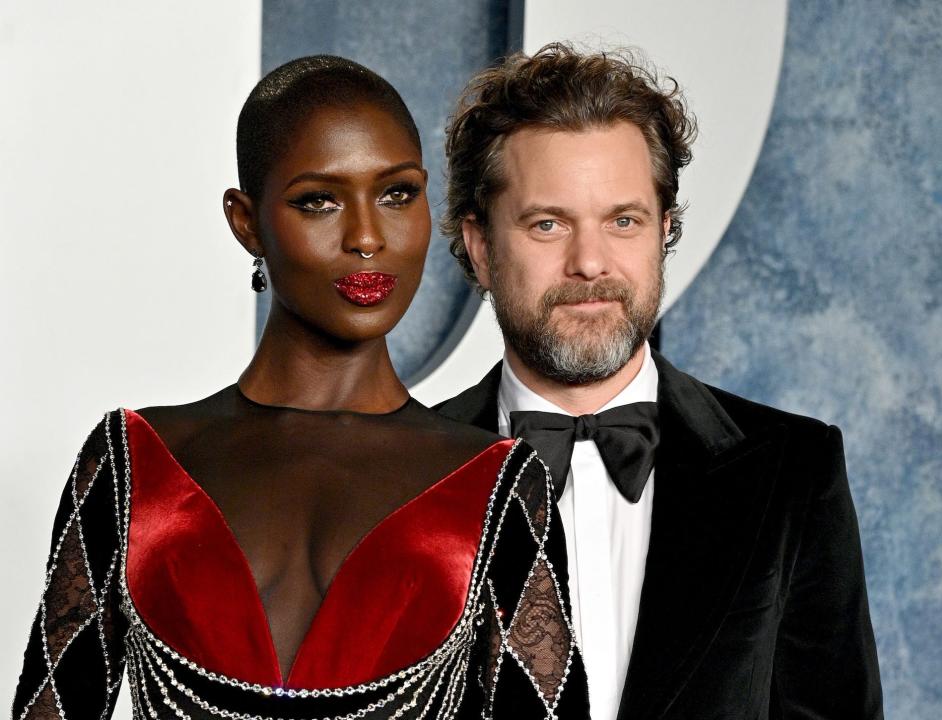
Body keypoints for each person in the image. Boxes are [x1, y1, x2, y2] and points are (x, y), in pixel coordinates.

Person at [13, 55, 589, 720]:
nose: (368, 237)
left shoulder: (496, 483)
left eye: (397, 193)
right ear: (246, 221)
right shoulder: (134, 462)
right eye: (319, 200)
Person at [436, 43, 884, 719]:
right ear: (480, 246)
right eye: (548, 223)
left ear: (664, 231)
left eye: (623, 221)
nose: (590, 262)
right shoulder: (401, 475)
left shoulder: (793, 472)